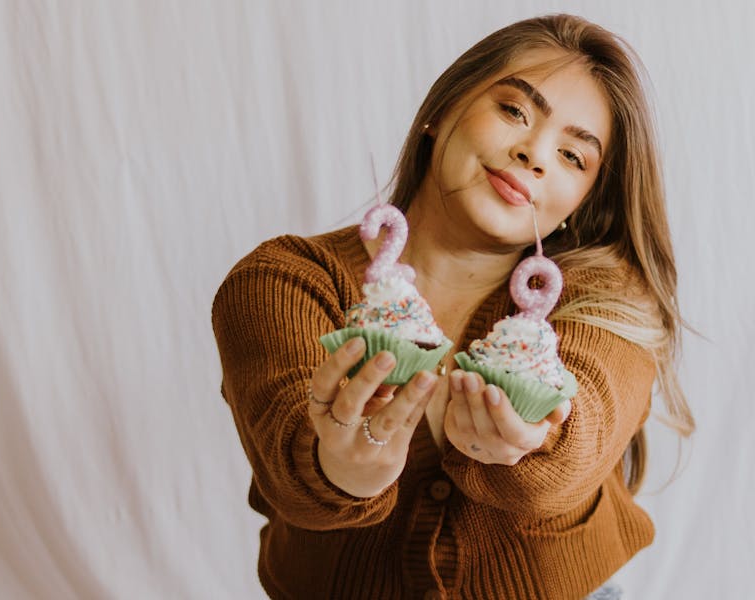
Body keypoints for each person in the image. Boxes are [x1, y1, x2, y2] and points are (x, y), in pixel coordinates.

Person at [212, 13, 695, 600]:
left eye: (574, 156)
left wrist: (538, 440)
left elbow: (583, 430)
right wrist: (342, 467)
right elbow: (287, 456)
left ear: (581, 201)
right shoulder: (283, 280)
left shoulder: (608, 303)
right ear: (439, 112)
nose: (535, 153)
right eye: (515, 111)